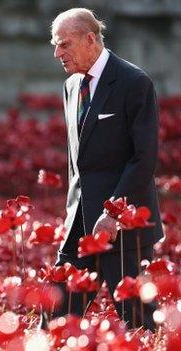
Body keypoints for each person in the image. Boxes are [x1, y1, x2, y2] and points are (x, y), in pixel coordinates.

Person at [50, 8, 163, 329]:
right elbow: (79, 164)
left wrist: (113, 213)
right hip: (79, 227)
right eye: (55, 45)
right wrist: (73, 213)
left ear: (90, 39)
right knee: (56, 316)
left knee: (139, 320)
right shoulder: (71, 86)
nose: (58, 53)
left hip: (124, 229)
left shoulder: (134, 82)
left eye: (65, 44)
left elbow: (144, 158)